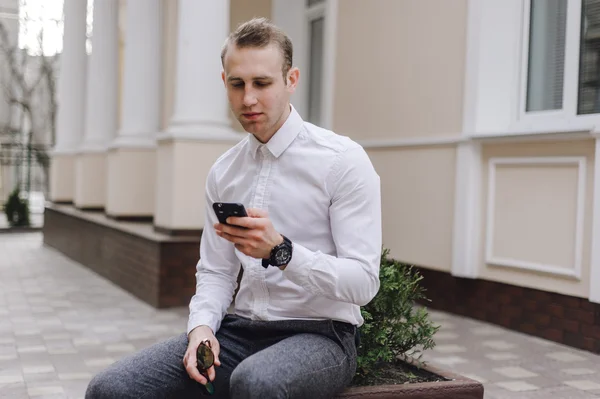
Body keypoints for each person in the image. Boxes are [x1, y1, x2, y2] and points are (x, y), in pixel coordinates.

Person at [85, 17, 382, 399]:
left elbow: (363, 282)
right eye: (237, 84)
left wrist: (282, 251)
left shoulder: (342, 161)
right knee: (110, 388)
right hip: (239, 331)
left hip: (321, 335)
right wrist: (202, 329)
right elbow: (216, 271)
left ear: (291, 80)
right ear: (224, 82)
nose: (248, 99)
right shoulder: (224, 171)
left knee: (256, 383)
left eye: (262, 83)